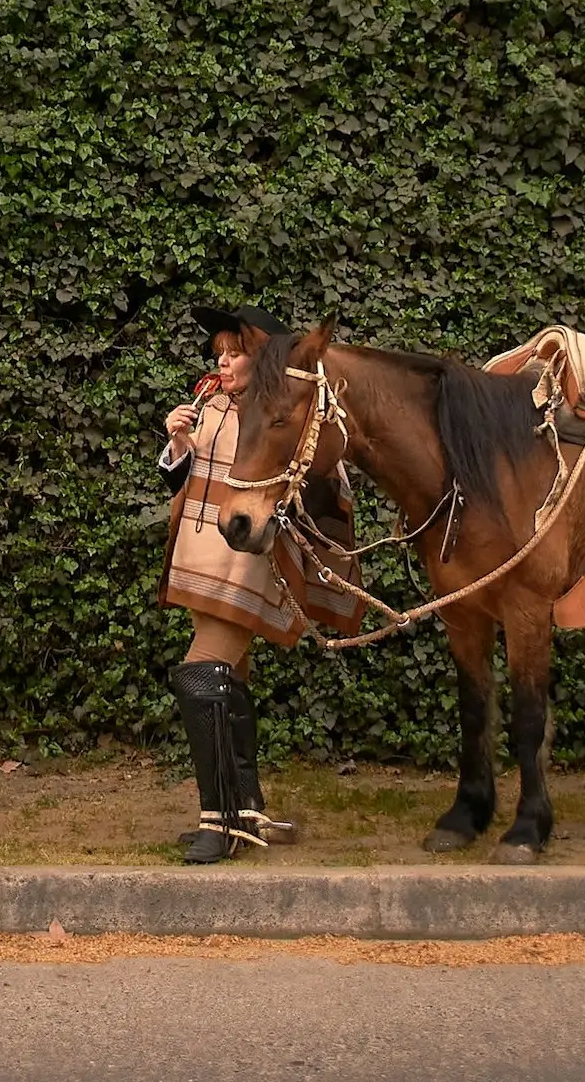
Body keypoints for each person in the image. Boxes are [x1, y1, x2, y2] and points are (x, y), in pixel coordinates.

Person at [158, 303, 362, 864]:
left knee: (201, 672)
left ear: (265, 357)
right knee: (226, 677)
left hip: (248, 562)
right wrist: (177, 446)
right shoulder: (211, 406)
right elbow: (187, 476)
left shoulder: (281, 412)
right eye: (219, 353)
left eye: (235, 353)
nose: (223, 363)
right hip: (203, 561)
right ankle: (243, 810)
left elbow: (316, 480)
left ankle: (218, 818)